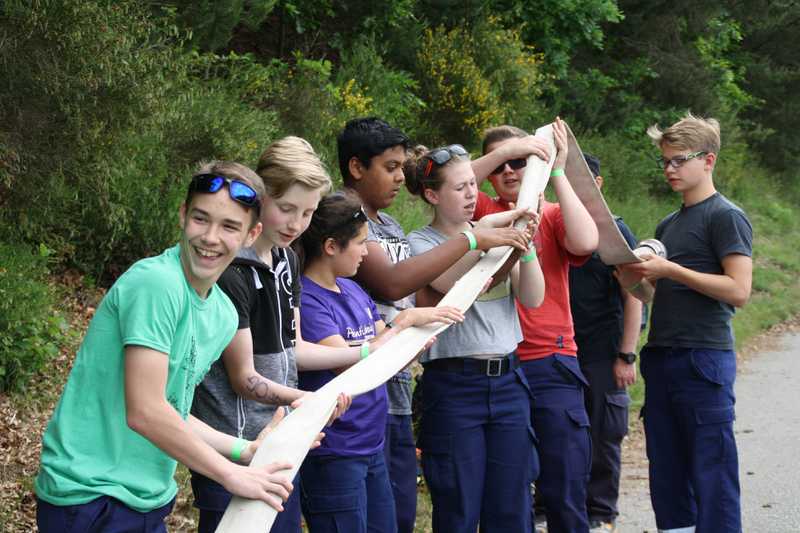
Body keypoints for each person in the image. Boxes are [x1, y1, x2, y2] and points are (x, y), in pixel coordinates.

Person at [35, 162, 304, 533]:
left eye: (229, 226)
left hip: (147, 498)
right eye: (201, 219)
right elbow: (145, 411)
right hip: (90, 497)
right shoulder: (156, 284)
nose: (210, 237)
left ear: (251, 233)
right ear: (182, 215)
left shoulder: (223, 314)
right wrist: (230, 475)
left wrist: (244, 451)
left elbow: (171, 407)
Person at [337, 117, 532, 533]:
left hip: (397, 386)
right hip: (363, 390)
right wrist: (474, 240)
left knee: (403, 512)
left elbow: (449, 184)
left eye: (400, 167)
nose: (398, 177)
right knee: (406, 513)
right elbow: (392, 284)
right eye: (390, 167)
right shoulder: (345, 215)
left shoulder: (388, 225)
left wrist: (509, 250)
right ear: (357, 168)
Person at [190, 137, 353, 533]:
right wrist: (307, 400)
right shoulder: (231, 270)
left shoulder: (287, 259)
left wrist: (365, 355)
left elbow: (291, 348)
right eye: (286, 209)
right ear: (261, 198)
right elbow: (244, 379)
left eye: (308, 213)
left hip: (281, 438)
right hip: (232, 449)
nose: (296, 224)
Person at [295, 191, 465, 533]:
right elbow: (353, 368)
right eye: (360, 243)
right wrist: (404, 322)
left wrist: (416, 342)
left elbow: (387, 355)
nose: (366, 251)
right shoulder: (309, 300)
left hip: (372, 444)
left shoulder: (354, 289)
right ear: (331, 246)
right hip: (334, 451)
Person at [618, 113, 752, 533]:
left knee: (712, 474)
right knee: (668, 475)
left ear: (708, 160)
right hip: (661, 357)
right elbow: (653, 295)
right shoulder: (668, 224)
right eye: (665, 161)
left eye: (679, 160)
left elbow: (739, 290)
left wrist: (671, 269)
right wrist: (628, 278)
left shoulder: (726, 216)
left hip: (703, 358)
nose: (669, 169)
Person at [404, 143, 545, 533]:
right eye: (459, 188)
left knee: (512, 504)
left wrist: (525, 245)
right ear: (432, 195)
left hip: (508, 382)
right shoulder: (423, 244)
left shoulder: (497, 228)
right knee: (458, 504)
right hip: (453, 384)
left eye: (473, 185)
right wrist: (485, 241)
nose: (471, 195)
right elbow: (454, 285)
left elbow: (533, 298)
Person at [472, 118, 599, 532]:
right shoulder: (484, 210)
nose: (509, 171)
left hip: (552, 358)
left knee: (564, 484)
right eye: (501, 166)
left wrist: (557, 169)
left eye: (520, 162)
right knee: (509, 491)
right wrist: (504, 152)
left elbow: (585, 243)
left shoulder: (554, 213)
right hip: (500, 363)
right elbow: (445, 184)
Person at [569, 153, 643, 532]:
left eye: (585, 182)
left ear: (598, 184)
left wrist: (626, 355)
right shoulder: (558, 225)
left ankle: (601, 514)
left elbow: (634, 296)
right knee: (565, 436)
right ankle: (555, 508)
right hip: (562, 354)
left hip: (603, 353)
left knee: (603, 437)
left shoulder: (614, 232)